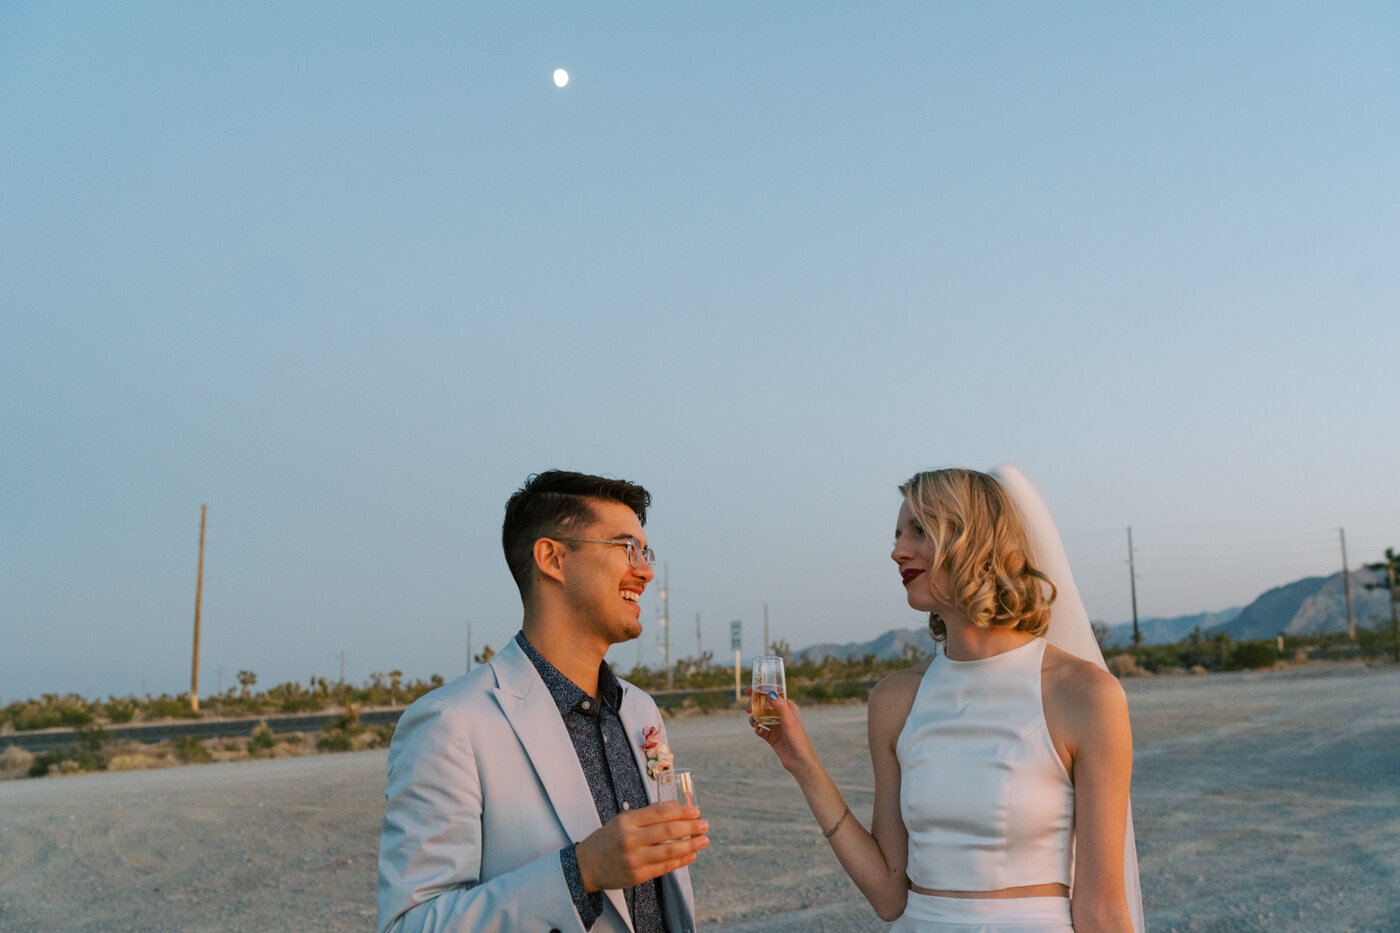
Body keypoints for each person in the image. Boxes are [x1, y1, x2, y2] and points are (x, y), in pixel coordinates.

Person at [751, 466, 1145, 933]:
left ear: (976, 539)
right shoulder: (895, 699)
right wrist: (803, 763)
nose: (898, 551)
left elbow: (1102, 908)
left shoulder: (1085, 695)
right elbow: (889, 895)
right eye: (898, 533)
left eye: (920, 530)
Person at [378, 470, 707, 933]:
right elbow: (410, 925)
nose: (647, 570)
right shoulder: (451, 724)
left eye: (646, 552)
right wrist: (581, 873)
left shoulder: (639, 711)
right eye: (626, 548)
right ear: (552, 558)